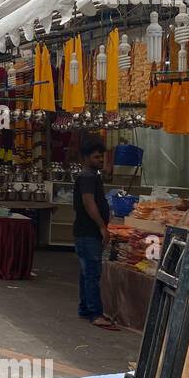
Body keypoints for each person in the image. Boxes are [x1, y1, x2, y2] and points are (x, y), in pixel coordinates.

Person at [73, 136, 116, 330]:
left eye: (102, 157)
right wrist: (101, 226)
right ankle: (95, 313)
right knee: (92, 272)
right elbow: (89, 203)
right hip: (88, 232)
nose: (100, 160)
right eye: (97, 157)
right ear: (86, 158)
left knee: (86, 272)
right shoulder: (88, 176)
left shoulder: (91, 176)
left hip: (86, 232)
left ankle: (85, 308)